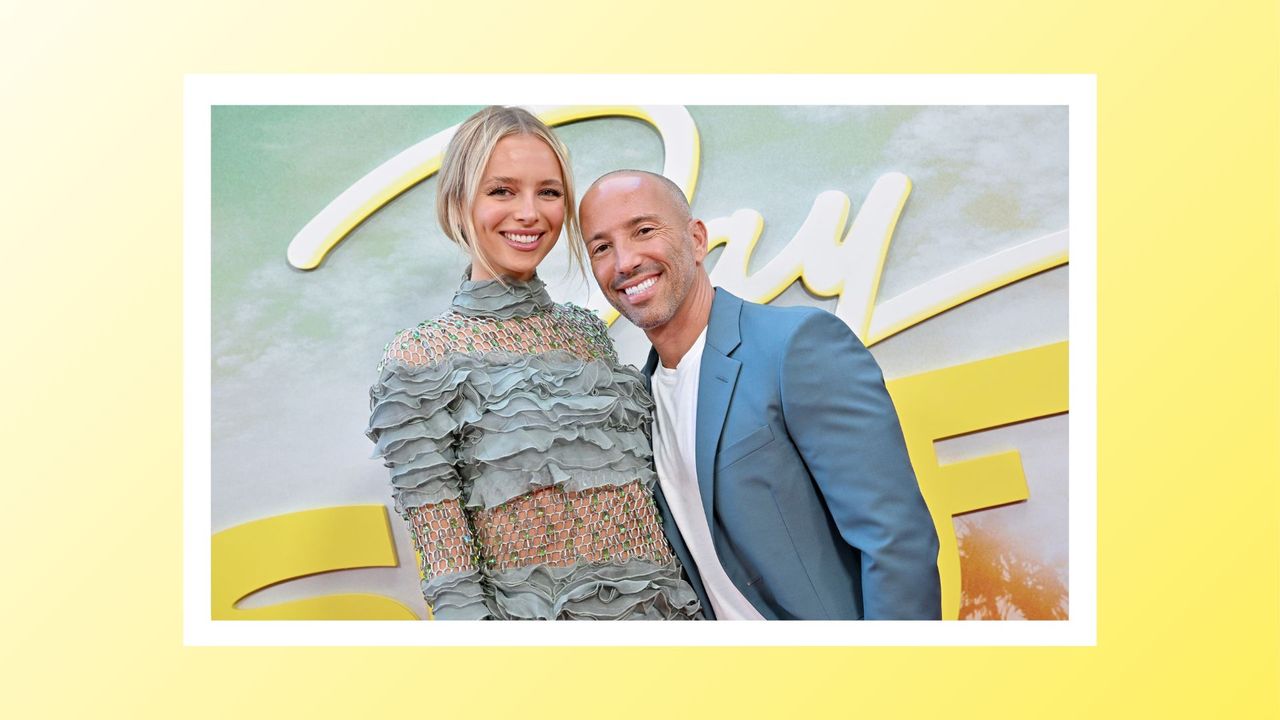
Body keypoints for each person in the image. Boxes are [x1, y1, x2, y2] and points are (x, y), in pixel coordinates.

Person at [366, 109, 701, 620]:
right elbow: (447, 565)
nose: (529, 213)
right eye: (501, 191)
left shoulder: (587, 335)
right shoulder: (420, 359)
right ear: (458, 202)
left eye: (548, 192)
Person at [578, 169, 941, 620]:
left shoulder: (798, 346)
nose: (625, 261)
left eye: (644, 231)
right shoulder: (638, 407)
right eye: (601, 248)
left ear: (696, 239)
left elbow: (896, 541)